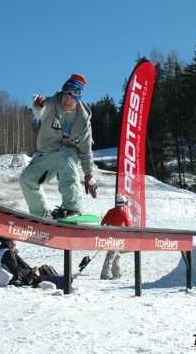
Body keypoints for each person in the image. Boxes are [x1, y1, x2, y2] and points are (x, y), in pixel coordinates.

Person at [20, 73, 98, 219]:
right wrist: (38, 104)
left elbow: (86, 150)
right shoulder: (53, 104)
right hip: (47, 154)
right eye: (64, 96)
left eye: (70, 98)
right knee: (26, 179)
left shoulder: (83, 120)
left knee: (67, 155)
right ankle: (42, 216)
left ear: (77, 98)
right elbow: (40, 110)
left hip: (68, 156)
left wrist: (88, 174)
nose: (66, 100)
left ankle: (72, 208)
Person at [100, 194, 131, 280]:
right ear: (123, 203)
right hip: (117, 237)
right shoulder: (123, 212)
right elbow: (128, 224)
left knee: (116, 254)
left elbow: (102, 222)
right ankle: (104, 274)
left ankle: (117, 273)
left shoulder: (110, 211)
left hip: (109, 236)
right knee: (111, 255)